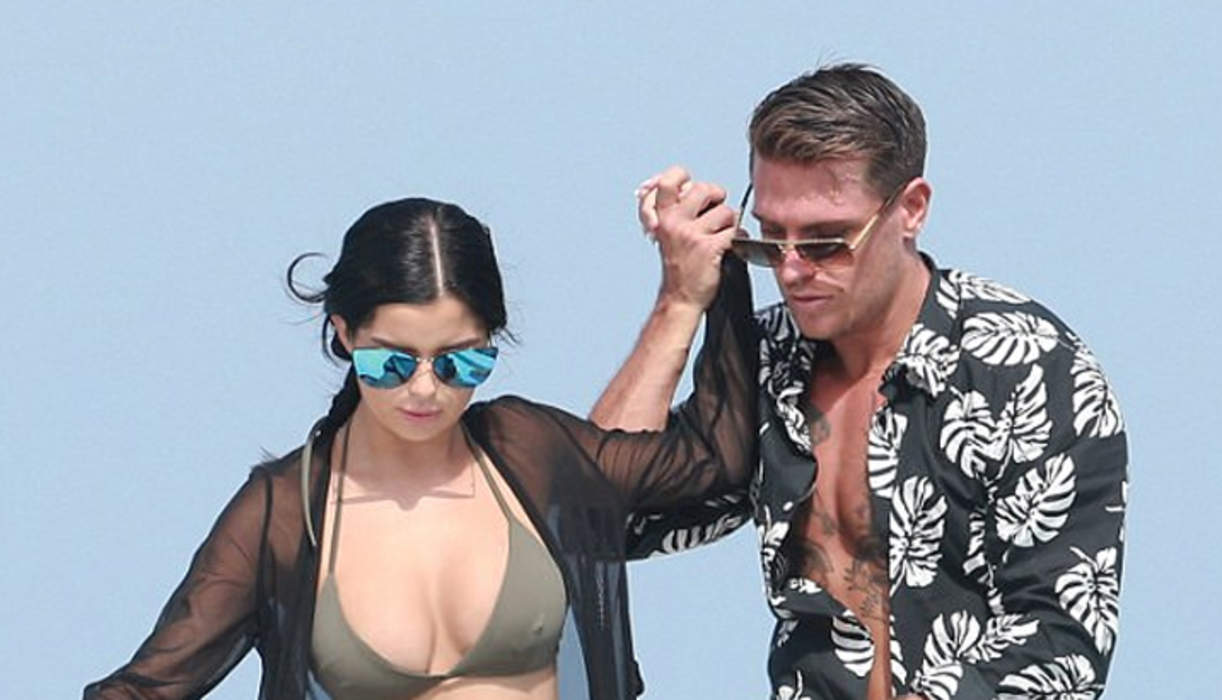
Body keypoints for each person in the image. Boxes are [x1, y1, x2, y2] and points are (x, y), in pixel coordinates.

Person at [595, 63, 1129, 700]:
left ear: (912, 209)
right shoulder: (770, 361)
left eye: (826, 243)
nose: (793, 271)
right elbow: (598, 521)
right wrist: (680, 300)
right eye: (770, 240)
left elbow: (1062, 645)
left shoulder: (1027, 367)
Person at [85, 196, 754, 700]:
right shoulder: (285, 513)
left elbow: (714, 461)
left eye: (461, 362)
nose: (427, 389)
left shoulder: (528, 450)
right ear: (344, 334)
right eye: (392, 363)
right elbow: (145, 689)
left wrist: (716, 268)